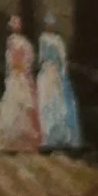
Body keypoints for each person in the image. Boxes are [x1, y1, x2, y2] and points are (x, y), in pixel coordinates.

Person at [35, 17, 81, 150]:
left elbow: (63, 58)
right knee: (45, 102)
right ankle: (47, 136)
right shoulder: (43, 38)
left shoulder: (58, 40)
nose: (49, 27)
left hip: (55, 73)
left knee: (57, 103)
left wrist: (62, 72)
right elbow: (42, 57)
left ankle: (59, 135)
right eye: (47, 24)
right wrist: (43, 65)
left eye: (51, 25)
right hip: (46, 71)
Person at [0, 13, 41, 149]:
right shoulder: (11, 40)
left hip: (20, 74)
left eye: (16, 26)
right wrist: (11, 69)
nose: (14, 28)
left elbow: (28, 57)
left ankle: (24, 133)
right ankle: (13, 132)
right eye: (13, 26)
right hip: (14, 74)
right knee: (13, 100)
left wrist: (23, 69)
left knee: (23, 101)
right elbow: (9, 58)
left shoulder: (24, 43)